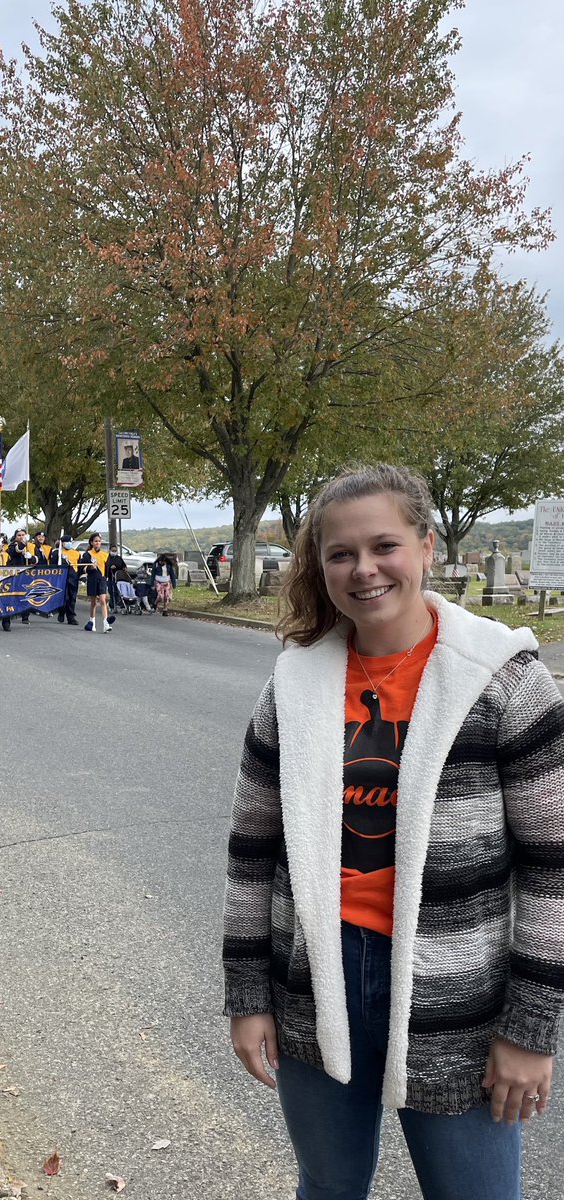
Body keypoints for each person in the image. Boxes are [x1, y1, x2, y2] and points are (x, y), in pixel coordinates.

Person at [223, 463, 564, 1200]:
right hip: (315, 982)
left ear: (426, 546)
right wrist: (247, 995)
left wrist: (530, 1029)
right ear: (319, 566)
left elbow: (553, 865)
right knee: (328, 1185)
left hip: (458, 996)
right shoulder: (292, 688)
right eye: (339, 554)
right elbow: (252, 856)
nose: (363, 569)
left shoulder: (503, 682)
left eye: (383, 546)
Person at [79, 533, 115, 633]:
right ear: (91, 543)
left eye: (99, 541)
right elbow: (82, 568)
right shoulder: (87, 554)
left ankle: (105, 624)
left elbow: (107, 568)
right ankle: (92, 622)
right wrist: (89, 567)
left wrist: (106, 578)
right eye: (95, 541)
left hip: (102, 579)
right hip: (92, 579)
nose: (97, 543)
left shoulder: (105, 554)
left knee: (103, 600)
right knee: (93, 602)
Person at [8, 529, 37, 625]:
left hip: (27, 573)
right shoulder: (12, 545)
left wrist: (31, 558)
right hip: (15, 572)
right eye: (19, 535)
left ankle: (25, 616)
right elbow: (15, 552)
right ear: (16, 536)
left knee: (27, 594)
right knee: (13, 594)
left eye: (23, 535)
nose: (21, 537)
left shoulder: (31, 546)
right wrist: (23, 543)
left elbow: (37, 559)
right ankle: (10, 613)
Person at [50, 535, 80, 626]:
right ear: (62, 543)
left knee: (72, 598)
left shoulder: (76, 553)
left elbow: (79, 565)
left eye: (71, 542)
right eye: (67, 542)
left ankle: (71, 617)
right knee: (63, 597)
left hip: (73, 577)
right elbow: (53, 565)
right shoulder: (56, 553)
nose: (69, 544)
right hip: (61, 578)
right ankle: (61, 611)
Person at [107, 544, 127, 612]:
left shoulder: (119, 558)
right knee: (111, 591)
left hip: (119, 577)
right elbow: (105, 566)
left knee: (118, 592)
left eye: (115, 550)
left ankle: (119, 604)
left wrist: (124, 568)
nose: (114, 552)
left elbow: (123, 565)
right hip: (110, 577)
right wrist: (110, 567)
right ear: (110, 550)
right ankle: (112, 605)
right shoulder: (107, 558)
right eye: (113, 550)